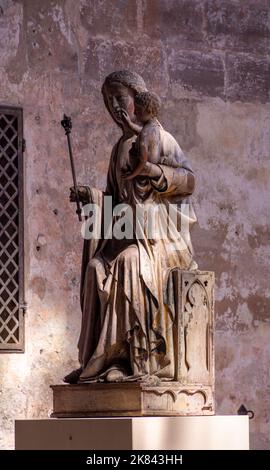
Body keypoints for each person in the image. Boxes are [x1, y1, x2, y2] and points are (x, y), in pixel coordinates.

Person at [65, 70, 197, 384]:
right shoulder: (120, 147)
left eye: (119, 97)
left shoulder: (160, 138)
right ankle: (99, 361)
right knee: (96, 268)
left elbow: (189, 181)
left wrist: (153, 171)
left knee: (128, 263)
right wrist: (91, 196)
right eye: (108, 100)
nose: (114, 106)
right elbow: (114, 199)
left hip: (160, 239)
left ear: (136, 99)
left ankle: (138, 361)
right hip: (128, 233)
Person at [121, 90, 181, 181]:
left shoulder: (146, 134)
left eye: (138, 110)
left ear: (149, 111)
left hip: (141, 175)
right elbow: (141, 133)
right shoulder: (154, 128)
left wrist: (132, 175)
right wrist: (129, 124)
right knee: (115, 184)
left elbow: (143, 161)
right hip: (141, 171)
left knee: (119, 183)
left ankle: (109, 196)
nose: (134, 113)